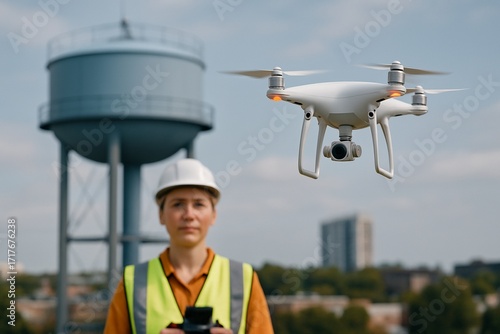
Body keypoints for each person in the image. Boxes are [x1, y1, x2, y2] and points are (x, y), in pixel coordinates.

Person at [104, 158, 274, 334]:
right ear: (161, 215)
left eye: (199, 204)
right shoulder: (132, 282)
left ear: (213, 214)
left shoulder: (244, 280)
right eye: (178, 204)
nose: (189, 215)